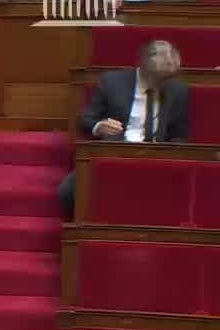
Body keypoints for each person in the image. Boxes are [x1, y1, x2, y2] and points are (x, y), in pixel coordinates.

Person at [57, 40, 188, 218]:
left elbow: (179, 133)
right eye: (157, 79)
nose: (161, 84)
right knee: (67, 191)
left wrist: (173, 155)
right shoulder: (112, 82)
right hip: (115, 152)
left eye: (165, 79)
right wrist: (99, 126)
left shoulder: (177, 90)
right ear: (143, 66)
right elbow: (85, 120)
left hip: (158, 157)